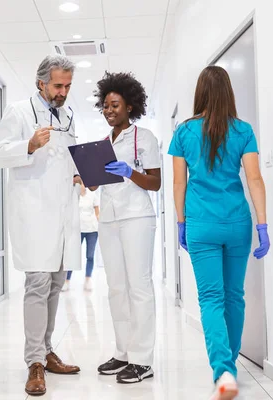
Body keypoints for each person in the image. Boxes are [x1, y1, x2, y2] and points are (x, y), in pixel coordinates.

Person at [169, 66, 270, 400]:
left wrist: (181, 222)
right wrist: (262, 225)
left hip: (200, 223)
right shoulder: (243, 130)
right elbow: (254, 179)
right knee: (234, 296)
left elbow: (178, 182)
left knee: (211, 299)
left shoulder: (184, 132)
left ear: (200, 93)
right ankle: (230, 366)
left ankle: (223, 370)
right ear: (229, 93)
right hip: (237, 223)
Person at [0, 55, 83, 396]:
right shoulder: (18, 112)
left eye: (68, 86)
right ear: (41, 82)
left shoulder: (69, 116)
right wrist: (28, 144)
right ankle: (34, 362)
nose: (63, 92)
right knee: (38, 282)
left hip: (63, 211)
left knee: (57, 281)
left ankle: (46, 350)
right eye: (58, 85)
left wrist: (79, 174)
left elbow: (70, 156)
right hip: (34, 212)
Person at [90, 72, 161, 384]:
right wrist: (86, 174)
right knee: (116, 288)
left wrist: (129, 172)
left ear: (130, 106)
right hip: (108, 219)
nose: (109, 111)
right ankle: (123, 352)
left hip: (136, 218)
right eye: (105, 106)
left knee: (139, 286)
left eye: (114, 105)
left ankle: (142, 360)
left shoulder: (144, 138)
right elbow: (94, 184)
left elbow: (155, 183)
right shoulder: (103, 143)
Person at [63, 186, 100, 292]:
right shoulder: (73, 195)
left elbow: (97, 213)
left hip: (92, 230)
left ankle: (88, 280)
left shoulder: (92, 195)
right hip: (77, 230)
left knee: (90, 256)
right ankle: (67, 281)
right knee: (72, 256)